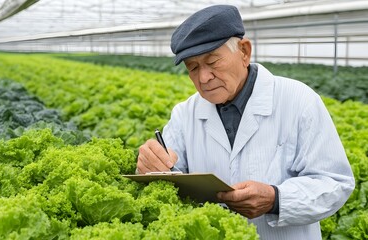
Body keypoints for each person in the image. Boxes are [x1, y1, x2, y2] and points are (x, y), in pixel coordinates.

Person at [136, 4, 355, 240]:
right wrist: (151, 165)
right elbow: (169, 174)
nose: (203, 77)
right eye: (193, 68)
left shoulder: (299, 101)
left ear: (244, 52)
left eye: (213, 62)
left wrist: (276, 199)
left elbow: (335, 183)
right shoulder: (184, 114)